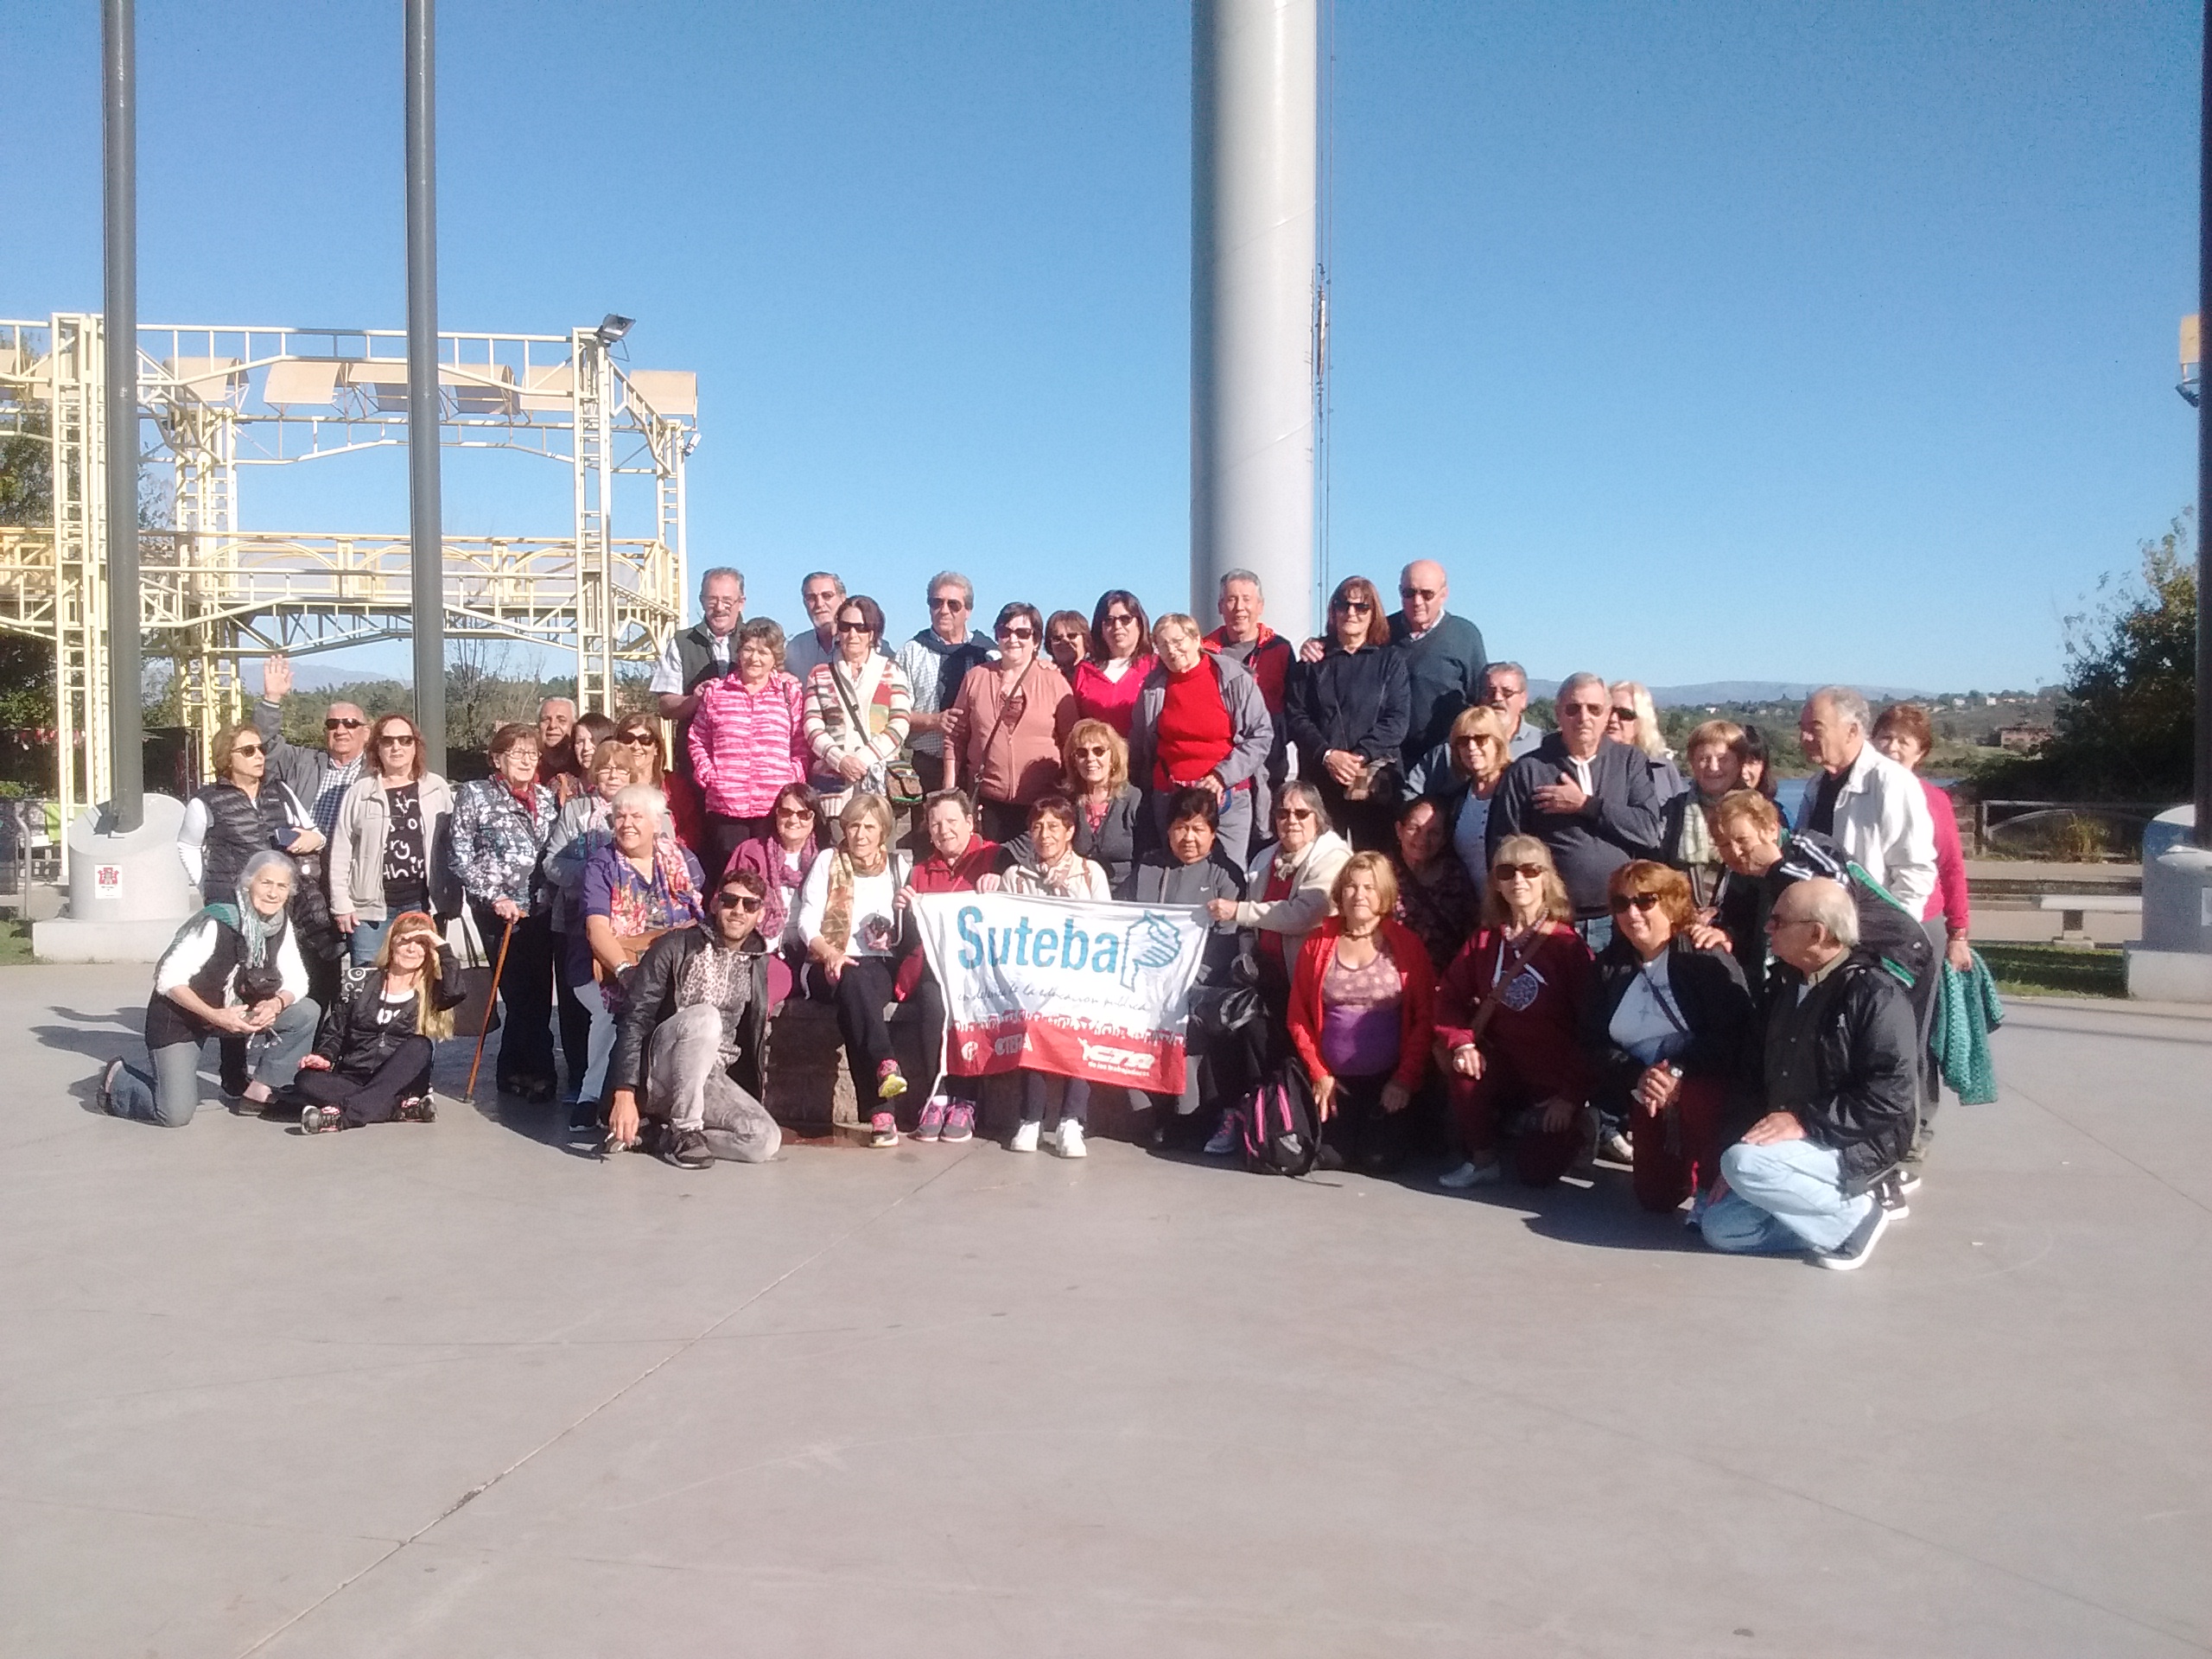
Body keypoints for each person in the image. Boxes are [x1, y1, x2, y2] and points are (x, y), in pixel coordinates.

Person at [1702, 789, 1938, 1193]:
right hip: (1839, 962)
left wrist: (1779, 870)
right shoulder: (1751, 874)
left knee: (1892, 1057)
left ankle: (1898, 1160)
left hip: (1896, 954)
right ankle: (1823, 1144)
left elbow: (1834, 899)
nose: (1735, 852)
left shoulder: (1806, 851)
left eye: (1742, 840)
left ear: (1770, 828)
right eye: (1723, 845)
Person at [1699, 879, 1916, 1269]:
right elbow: (1750, 1081)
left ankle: (1858, 1219)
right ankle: (1832, 1218)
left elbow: (1891, 1093)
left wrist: (1803, 1122)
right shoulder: (1782, 986)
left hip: (1852, 1139)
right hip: (1789, 1144)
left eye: (1779, 921)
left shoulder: (1874, 993)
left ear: (1817, 933)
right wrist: (1737, 1147)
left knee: (1745, 1165)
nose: (1768, 928)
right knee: (1720, 1227)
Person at [95, 851, 320, 1127]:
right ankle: (118, 1080)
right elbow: (168, 979)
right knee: (173, 1114)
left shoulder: (279, 924)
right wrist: (216, 1016)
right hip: (184, 1018)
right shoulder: (217, 921)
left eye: (282, 886)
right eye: (266, 883)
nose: (273, 893)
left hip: (235, 1013)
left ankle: (260, 1092)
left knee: (306, 1012)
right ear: (248, 884)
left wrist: (276, 1004)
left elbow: (297, 980)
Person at [1582, 861, 1756, 1217]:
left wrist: (1677, 1071)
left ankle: (1712, 1186)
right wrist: (1637, 1075)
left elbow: (1736, 1035)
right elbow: (1592, 1041)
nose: (1632, 913)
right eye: (1622, 904)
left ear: (1671, 903)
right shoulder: (1608, 967)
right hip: (1647, 1090)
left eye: (1645, 901)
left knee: (1698, 1100)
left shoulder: (1703, 957)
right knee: (1656, 1197)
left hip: (1704, 1084)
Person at [1434, 837, 1597, 1189]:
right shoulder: (1484, 941)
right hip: (1504, 1067)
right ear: (1496, 883)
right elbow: (1448, 997)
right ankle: (1483, 1160)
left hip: (1555, 1078)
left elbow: (1592, 1027)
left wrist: (1571, 1097)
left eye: (1530, 870)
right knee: (1465, 1074)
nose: (1518, 880)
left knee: (1535, 1174)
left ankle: (1583, 1125)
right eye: (1507, 872)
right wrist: (1462, 1043)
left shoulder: (1567, 946)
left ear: (1546, 878)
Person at [178, 720, 328, 1095]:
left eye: (260, 749)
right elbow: (187, 845)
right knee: (236, 981)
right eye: (248, 751)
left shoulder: (280, 790)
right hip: (231, 904)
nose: (259, 756)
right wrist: (206, 885)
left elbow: (315, 833)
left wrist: (310, 839)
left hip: (278, 901)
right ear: (226, 758)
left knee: (281, 976)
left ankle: (278, 1068)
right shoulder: (206, 800)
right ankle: (233, 1070)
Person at [603, 866, 783, 1170]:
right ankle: (686, 1129)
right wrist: (624, 1092)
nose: (738, 911)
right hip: (659, 1072)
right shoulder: (676, 946)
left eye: (750, 905)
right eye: (730, 901)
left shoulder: (757, 962)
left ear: (760, 914)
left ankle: (661, 1137)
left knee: (763, 1140)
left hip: (709, 1077)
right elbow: (634, 1018)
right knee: (706, 1017)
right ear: (714, 903)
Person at [1286, 852, 1437, 1173]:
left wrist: (1404, 1080)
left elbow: (1425, 1018)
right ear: (1341, 892)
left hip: (1388, 1081)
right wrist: (1319, 1074)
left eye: (1369, 887)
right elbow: (1298, 1016)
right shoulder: (1317, 944)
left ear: (1384, 894)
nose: (1359, 895)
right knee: (1331, 1158)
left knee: (1378, 1161)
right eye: (1352, 887)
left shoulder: (1407, 945)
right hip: (1334, 1081)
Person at [1485, 672, 1662, 941]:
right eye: (1573, 709)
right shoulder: (1528, 770)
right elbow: (1503, 847)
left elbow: (1649, 831)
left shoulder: (1630, 762)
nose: (1584, 717)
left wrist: (1586, 805)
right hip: (1553, 920)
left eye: (1594, 709)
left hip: (1621, 916)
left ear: (1607, 714)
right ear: (1558, 713)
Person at [1126, 787, 1251, 1148]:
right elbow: (1124, 921)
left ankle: (1189, 1114)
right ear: (1168, 830)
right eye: (1181, 828)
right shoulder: (1148, 867)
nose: (1189, 838)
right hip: (1147, 980)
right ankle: (1146, 1105)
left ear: (1213, 833)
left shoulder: (1226, 876)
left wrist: (1184, 982)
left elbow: (1226, 944)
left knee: (1188, 1013)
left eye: (1198, 829)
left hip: (1201, 984)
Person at [988, 794, 1112, 1158]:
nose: (1045, 835)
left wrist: (1066, 892)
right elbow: (1004, 927)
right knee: (1033, 1022)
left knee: (1082, 1022)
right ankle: (1031, 1118)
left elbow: (1106, 928)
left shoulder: (1090, 873)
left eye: (1054, 827)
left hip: (1080, 978)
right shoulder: (1015, 876)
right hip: (1032, 981)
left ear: (1070, 831)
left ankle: (1072, 1120)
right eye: (1037, 827)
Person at [575, 785, 709, 1111]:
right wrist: (625, 970)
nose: (627, 824)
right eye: (620, 817)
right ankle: (591, 1095)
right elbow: (597, 929)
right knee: (612, 1010)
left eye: (636, 816)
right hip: (611, 962)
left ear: (656, 823)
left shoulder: (682, 859)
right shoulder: (602, 864)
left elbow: (698, 914)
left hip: (672, 961)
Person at [1302, 560, 1488, 793]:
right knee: (1377, 815)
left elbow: (1480, 701)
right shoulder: (1381, 632)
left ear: (1444, 594)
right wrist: (1315, 645)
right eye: (1409, 593)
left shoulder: (1465, 635)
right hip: (1382, 761)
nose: (1417, 601)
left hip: (1444, 764)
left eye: (1427, 594)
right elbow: (1345, 648)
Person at [795, 792, 914, 1147]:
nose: (860, 835)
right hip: (824, 960)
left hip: (877, 963)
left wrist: (895, 929)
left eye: (869, 827)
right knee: (853, 981)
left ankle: (882, 1106)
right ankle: (884, 1076)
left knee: (856, 987)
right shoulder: (828, 861)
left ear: (884, 831)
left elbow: (908, 933)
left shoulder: (898, 868)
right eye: (853, 826)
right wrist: (830, 952)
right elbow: (806, 920)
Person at [449, 721, 559, 1102]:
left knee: (539, 993)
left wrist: (549, 893)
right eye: (517, 753)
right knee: (516, 991)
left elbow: (554, 850)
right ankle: (529, 1069)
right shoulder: (475, 795)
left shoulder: (547, 798)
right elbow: (460, 855)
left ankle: (524, 1069)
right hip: (498, 911)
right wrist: (494, 896)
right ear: (497, 759)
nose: (527, 761)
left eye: (532, 753)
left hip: (540, 908)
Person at [294, 912, 463, 1132]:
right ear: (392, 943)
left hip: (401, 1083)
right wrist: (324, 1056)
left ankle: (344, 1117)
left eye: (421, 943)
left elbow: (456, 992)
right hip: (353, 1077)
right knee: (305, 1080)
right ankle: (398, 1109)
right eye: (405, 941)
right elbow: (336, 1030)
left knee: (420, 1045)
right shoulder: (360, 978)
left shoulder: (432, 988)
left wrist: (441, 945)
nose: (411, 949)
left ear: (429, 949)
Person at [1127, 612, 1274, 867]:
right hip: (1171, 798)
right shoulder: (1153, 688)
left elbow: (1260, 735)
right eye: (1163, 645)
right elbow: (1140, 742)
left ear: (1196, 640)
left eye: (1178, 641)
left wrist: (1221, 776)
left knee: (1229, 873)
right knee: (1178, 874)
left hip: (1226, 797)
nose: (1172, 651)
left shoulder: (1233, 677)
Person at [894, 788, 999, 1144]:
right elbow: (907, 939)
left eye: (952, 821)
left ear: (970, 822)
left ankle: (966, 1099)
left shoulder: (995, 858)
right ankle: (938, 1095)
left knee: (969, 1004)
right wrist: (902, 910)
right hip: (936, 967)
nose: (944, 830)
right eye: (936, 824)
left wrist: (1001, 880)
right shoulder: (920, 872)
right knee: (932, 998)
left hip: (981, 968)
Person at [1284, 575, 1411, 852]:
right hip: (1321, 779)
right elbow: (1296, 716)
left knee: (1375, 862)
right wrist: (1328, 755)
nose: (1351, 613)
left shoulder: (1390, 661)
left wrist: (1358, 758)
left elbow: (1397, 720)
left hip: (1372, 781)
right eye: (1343, 605)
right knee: (1322, 859)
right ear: (1333, 610)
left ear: (1373, 613)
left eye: (1361, 607)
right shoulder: (1312, 660)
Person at [1212, 782, 1354, 1020]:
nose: (1291, 821)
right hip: (1266, 981)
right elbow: (1248, 928)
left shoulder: (1334, 857)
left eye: (1301, 813)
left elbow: (1304, 915)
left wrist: (1239, 911)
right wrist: (1248, 956)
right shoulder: (1263, 858)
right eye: (1283, 814)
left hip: (1313, 983)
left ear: (1318, 818)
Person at [328, 712, 456, 969]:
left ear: (415, 745)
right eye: (388, 741)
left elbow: (451, 846)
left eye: (405, 740)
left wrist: (451, 898)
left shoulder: (437, 788)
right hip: (370, 911)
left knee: (420, 979)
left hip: (423, 905)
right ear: (377, 747)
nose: (396, 747)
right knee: (368, 980)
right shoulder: (360, 792)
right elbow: (342, 850)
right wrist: (341, 904)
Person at [941, 601, 1077, 842]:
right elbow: (956, 738)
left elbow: (1072, 742)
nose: (1013, 639)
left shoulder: (1054, 682)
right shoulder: (976, 678)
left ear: (1036, 640)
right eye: (1005, 631)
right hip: (988, 803)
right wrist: (949, 792)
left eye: (1023, 633)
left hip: (1043, 806)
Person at [545, 749, 634, 1118]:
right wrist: (597, 874)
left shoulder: (651, 810)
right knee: (587, 1006)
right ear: (593, 773)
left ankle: (610, 1089)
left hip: (634, 931)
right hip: (579, 921)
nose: (612, 774)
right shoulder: (576, 811)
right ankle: (583, 1084)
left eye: (620, 769)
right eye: (605, 768)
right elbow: (552, 863)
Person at [1796, 685, 1937, 916]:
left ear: (1852, 731)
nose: (1805, 737)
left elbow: (1914, 871)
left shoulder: (1891, 782)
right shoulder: (1816, 785)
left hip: (1873, 927)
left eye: (1815, 729)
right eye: (1802, 729)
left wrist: (1895, 929)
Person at [689, 616, 809, 882]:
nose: (755, 658)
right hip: (727, 805)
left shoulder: (789, 694)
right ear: (739, 652)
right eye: (749, 650)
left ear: (775, 657)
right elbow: (698, 738)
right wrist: (709, 775)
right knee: (730, 878)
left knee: (770, 876)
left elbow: (800, 743)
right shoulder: (717, 693)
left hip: (775, 806)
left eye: (763, 652)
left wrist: (793, 778)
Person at [1871, 702, 1974, 975]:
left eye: (1903, 741)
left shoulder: (1935, 801)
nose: (1891, 748)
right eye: (1885, 737)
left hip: (1922, 923)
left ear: (1920, 753)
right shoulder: (1855, 792)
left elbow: (1951, 867)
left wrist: (1958, 934)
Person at [651, 565, 747, 844]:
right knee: (697, 842)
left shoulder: (756, 639)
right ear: (701, 600)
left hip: (744, 770)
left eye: (727, 600)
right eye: (712, 599)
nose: (719, 608)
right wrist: (695, 699)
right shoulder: (683, 642)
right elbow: (665, 705)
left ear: (741, 602)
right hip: (694, 766)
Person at [801, 594, 912, 827]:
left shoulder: (893, 672)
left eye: (861, 627)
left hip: (880, 789)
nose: (852, 634)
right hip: (833, 790)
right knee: (835, 848)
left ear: (873, 632)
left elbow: (900, 723)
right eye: (845, 626)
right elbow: (812, 725)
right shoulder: (819, 674)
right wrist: (839, 759)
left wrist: (862, 760)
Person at [1001, 720, 1143, 896]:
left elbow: (1146, 857)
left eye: (1098, 751)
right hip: (1077, 894)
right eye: (1082, 753)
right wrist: (997, 867)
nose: (1090, 759)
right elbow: (1036, 836)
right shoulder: (1066, 800)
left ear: (1113, 757)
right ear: (1074, 761)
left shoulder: (1134, 800)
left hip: (1124, 896)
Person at [1204, 568, 1295, 822]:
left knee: (1268, 833)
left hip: (1269, 765)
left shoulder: (1280, 649)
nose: (1239, 608)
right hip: (1221, 767)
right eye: (1231, 599)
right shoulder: (1205, 653)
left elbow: (1294, 706)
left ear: (1260, 606)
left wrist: (1278, 737)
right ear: (1220, 606)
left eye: (1247, 599)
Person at [895, 570, 996, 795]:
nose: (944, 610)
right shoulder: (910, 653)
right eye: (936, 603)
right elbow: (895, 714)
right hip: (926, 767)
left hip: (979, 767)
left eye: (953, 604)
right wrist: (935, 721)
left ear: (968, 610)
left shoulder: (988, 654)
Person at [254, 653, 370, 842]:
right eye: (332, 724)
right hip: (302, 857)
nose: (340, 730)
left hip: (352, 857)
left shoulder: (378, 773)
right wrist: (271, 699)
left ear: (366, 733)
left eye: (350, 724)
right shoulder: (302, 762)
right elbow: (261, 746)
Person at [731, 783, 821, 1007]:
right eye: (786, 812)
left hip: (813, 953)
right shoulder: (751, 851)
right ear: (776, 814)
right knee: (762, 989)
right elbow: (728, 902)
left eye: (803, 814)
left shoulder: (827, 858)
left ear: (814, 819)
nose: (794, 820)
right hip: (762, 951)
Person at [1658, 719, 1747, 916]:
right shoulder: (1672, 811)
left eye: (1723, 759)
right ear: (1692, 762)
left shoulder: (1757, 810)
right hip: (1681, 919)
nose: (1713, 767)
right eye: (1704, 758)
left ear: (1740, 762)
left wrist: (1720, 913)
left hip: (1738, 921)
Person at [1389, 794, 1478, 974]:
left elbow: (1471, 932)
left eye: (1434, 832)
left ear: (1444, 838)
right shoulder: (1381, 872)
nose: (1422, 840)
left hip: (1445, 978)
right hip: (1393, 976)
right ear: (1399, 830)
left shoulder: (1455, 875)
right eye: (1414, 828)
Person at [1429, 704, 1512, 892]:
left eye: (1481, 739)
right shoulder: (1456, 799)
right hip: (1473, 905)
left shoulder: (1518, 786)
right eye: (1463, 741)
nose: (1471, 747)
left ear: (1497, 742)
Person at [1068, 589, 1155, 737]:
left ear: (1140, 624)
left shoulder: (1155, 667)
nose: (1117, 626)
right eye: (1108, 620)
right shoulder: (1085, 671)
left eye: (1125, 619)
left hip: (1145, 751)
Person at [1607, 682, 1685, 802]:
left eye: (1624, 714)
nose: (1613, 719)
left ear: (1642, 720)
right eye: (1608, 711)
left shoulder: (1663, 769)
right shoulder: (1590, 767)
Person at [783, 569, 849, 684]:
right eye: (811, 598)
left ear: (843, 600)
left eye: (827, 596)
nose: (819, 604)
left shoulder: (864, 645)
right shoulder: (794, 649)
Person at [1481, 661, 1545, 761]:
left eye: (1507, 692)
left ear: (1523, 698)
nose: (1497, 698)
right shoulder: (1466, 743)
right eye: (1490, 692)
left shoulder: (1541, 743)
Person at [556, 712, 616, 807]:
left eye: (593, 740)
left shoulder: (617, 784)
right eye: (580, 741)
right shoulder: (561, 784)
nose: (586, 748)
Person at [536, 697, 580, 789]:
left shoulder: (583, 769)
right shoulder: (528, 768)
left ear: (574, 726)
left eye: (561, 720)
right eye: (546, 720)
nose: (552, 725)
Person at [1737, 724, 1779, 801]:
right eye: (1739, 762)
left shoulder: (1773, 808)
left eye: (1751, 762)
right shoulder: (1715, 807)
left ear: (1764, 765)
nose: (1743, 771)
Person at [1045, 610, 1091, 677]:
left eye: (1071, 636)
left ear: (1085, 639)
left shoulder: (1099, 673)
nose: (1065, 640)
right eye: (1057, 638)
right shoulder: (1045, 676)